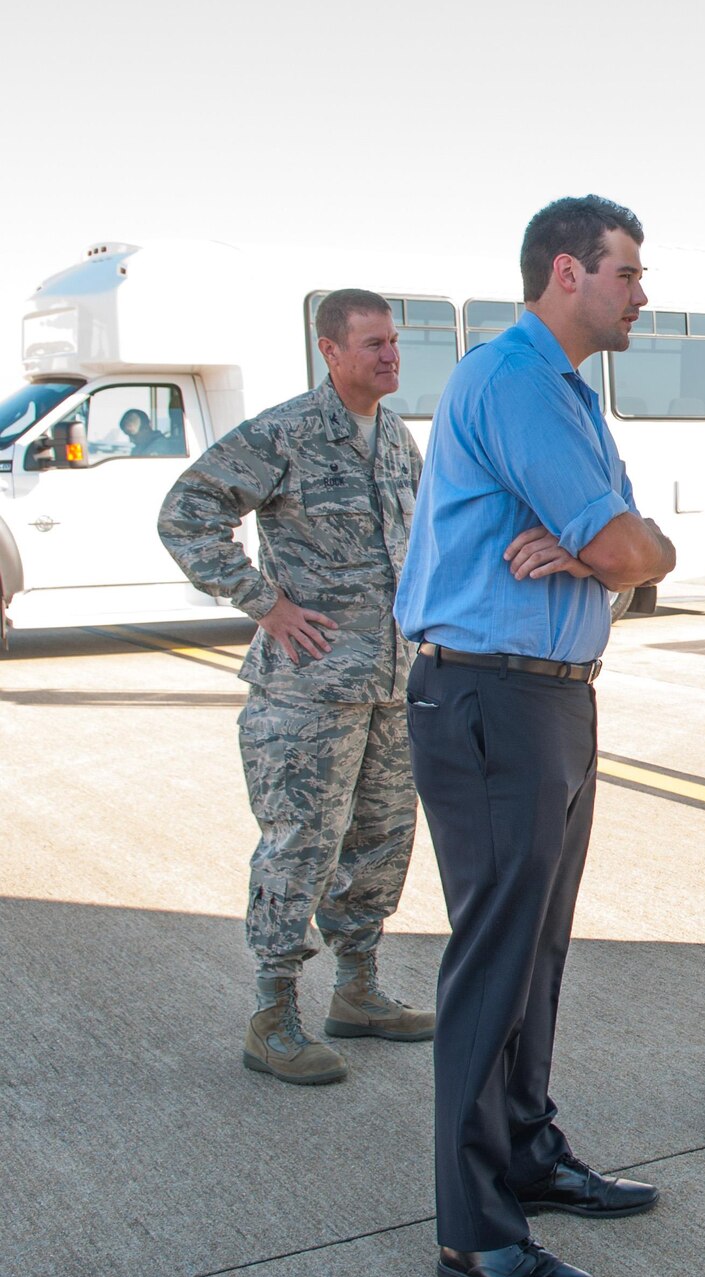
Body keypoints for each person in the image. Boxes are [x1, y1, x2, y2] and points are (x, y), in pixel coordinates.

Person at [396, 196, 676, 1277]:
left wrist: (607, 550)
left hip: (549, 696)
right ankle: (473, 1229)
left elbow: (648, 548)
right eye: (628, 272)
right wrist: (606, 549)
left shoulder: (563, 392)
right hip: (491, 697)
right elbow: (626, 545)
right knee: (494, 960)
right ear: (569, 271)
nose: (640, 292)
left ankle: (527, 1150)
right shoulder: (514, 379)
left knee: (539, 953)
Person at [158, 287, 434, 1087]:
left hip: (389, 687)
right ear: (331, 350)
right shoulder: (284, 433)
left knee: (381, 842)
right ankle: (273, 1014)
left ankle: (359, 991)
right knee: (300, 847)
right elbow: (187, 513)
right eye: (374, 343)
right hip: (308, 693)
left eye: (393, 343)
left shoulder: (394, 439)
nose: (390, 356)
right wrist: (265, 604)